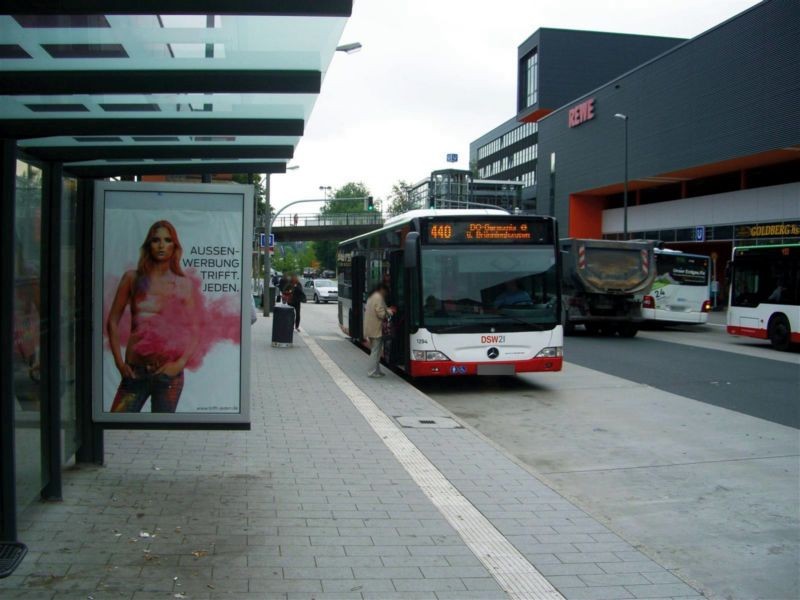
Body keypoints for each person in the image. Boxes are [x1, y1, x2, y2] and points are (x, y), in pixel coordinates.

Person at [106, 220, 198, 413]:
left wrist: (179, 363)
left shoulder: (182, 284)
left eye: (167, 240)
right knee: (117, 422)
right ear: (149, 245)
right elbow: (112, 321)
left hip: (168, 374)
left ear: (175, 246)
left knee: (165, 430)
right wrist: (119, 364)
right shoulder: (132, 278)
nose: (162, 245)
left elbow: (194, 328)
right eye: (156, 240)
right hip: (134, 371)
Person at [364, 283, 395, 378]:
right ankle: (372, 371)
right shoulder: (378, 297)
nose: (386, 293)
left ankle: (377, 370)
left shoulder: (372, 296)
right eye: (385, 291)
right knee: (375, 351)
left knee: (376, 351)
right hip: (376, 328)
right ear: (382, 289)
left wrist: (387, 309)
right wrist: (390, 312)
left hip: (370, 328)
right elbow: (381, 313)